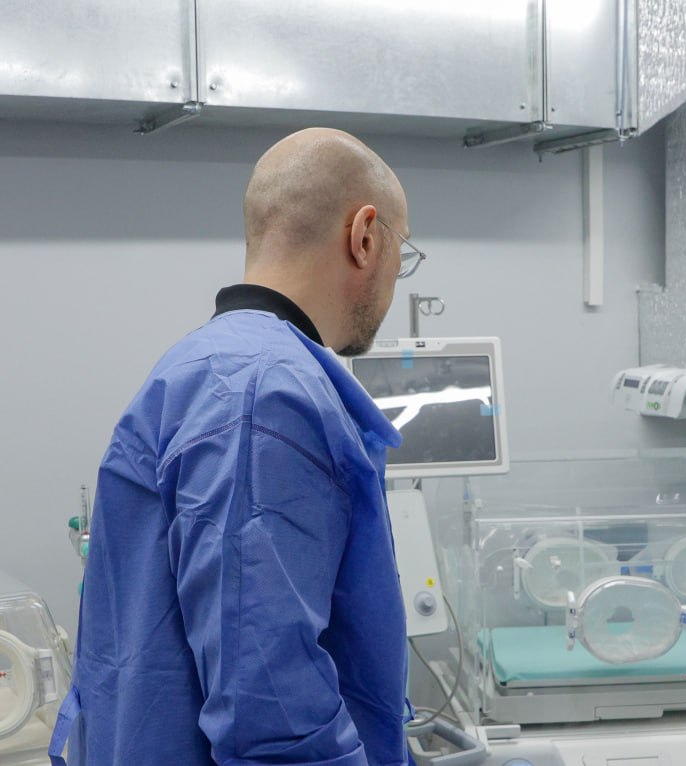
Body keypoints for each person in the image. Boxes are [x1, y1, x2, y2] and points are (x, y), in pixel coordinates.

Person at [51, 128, 426, 765]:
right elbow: (269, 709)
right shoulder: (265, 394)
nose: (397, 276)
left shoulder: (209, 365)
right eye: (402, 252)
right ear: (365, 236)